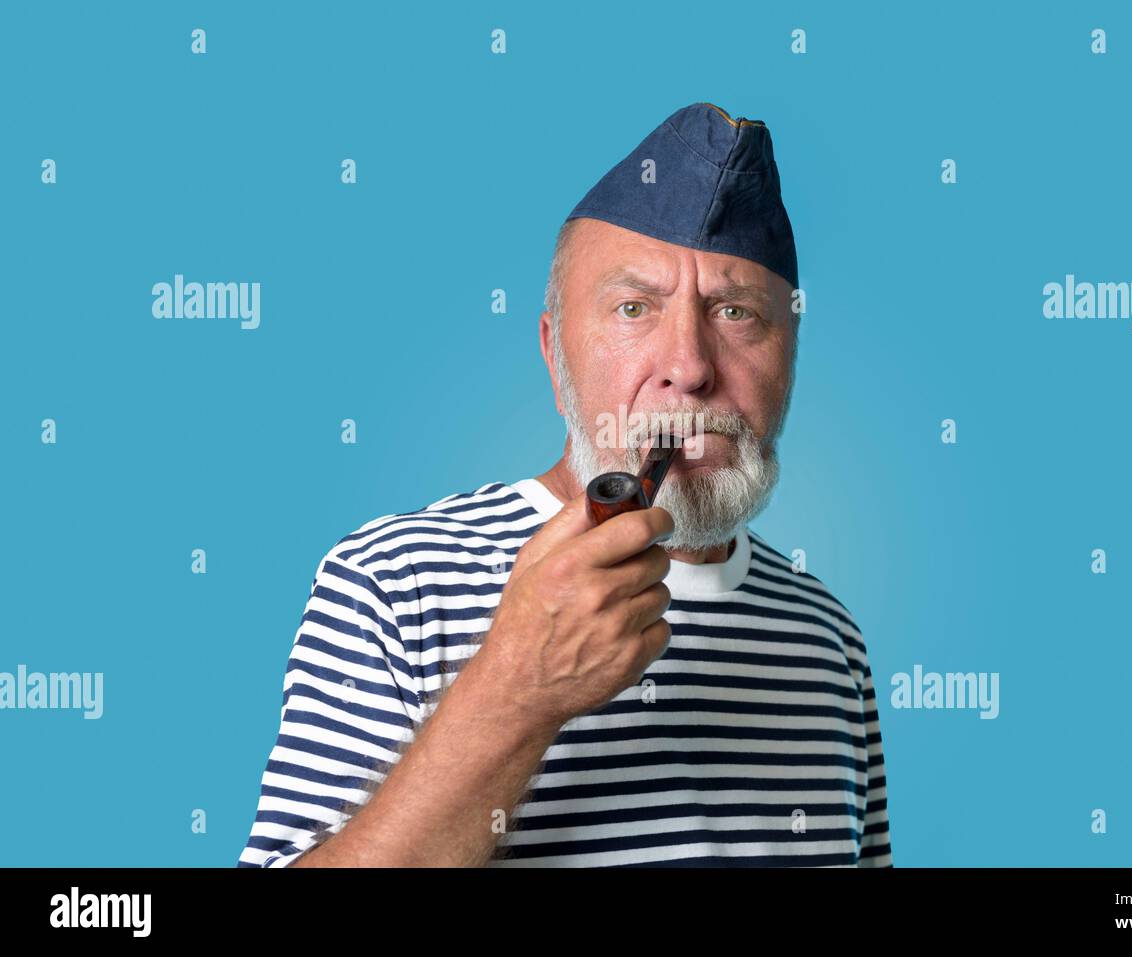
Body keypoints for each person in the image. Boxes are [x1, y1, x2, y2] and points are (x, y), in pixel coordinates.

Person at [238, 102, 891, 867]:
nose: (690, 364)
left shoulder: (829, 637)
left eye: (737, 311)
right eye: (633, 307)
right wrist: (515, 691)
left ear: (791, 353)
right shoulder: (395, 584)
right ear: (554, 353)